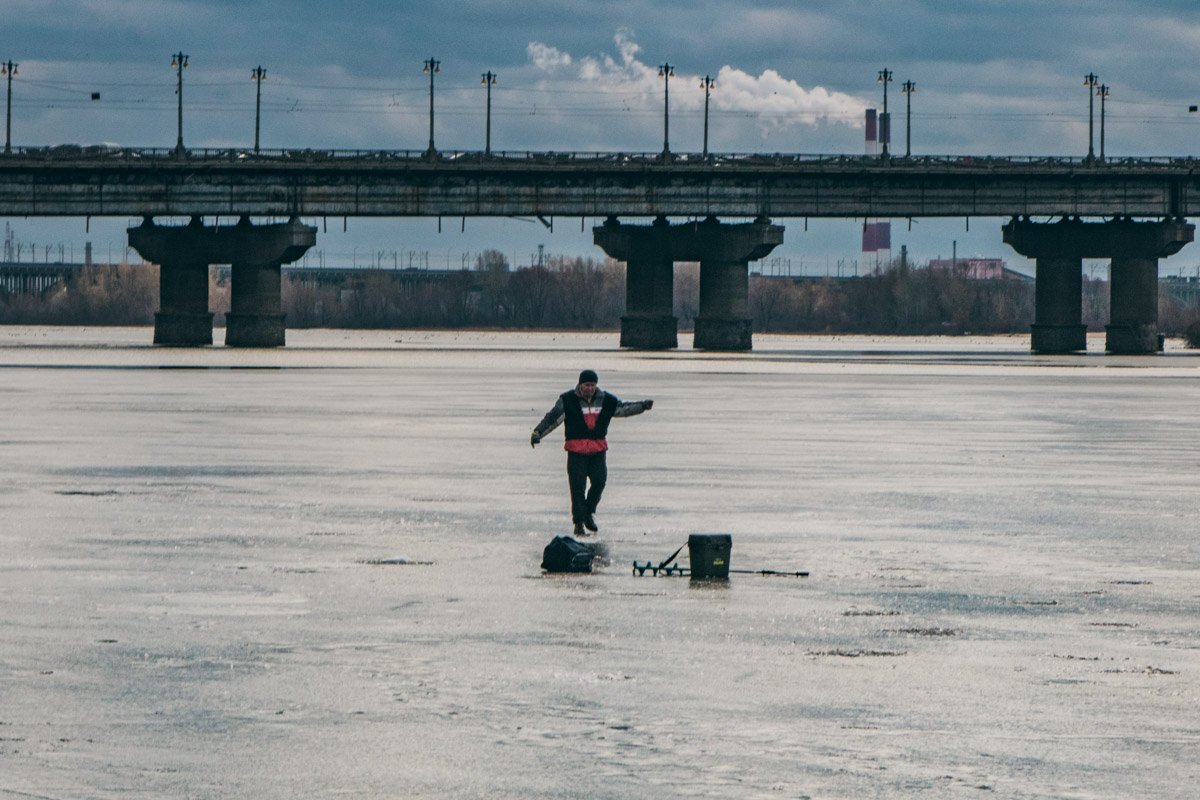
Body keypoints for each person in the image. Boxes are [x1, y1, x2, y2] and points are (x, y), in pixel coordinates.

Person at [531, 369, 653, 537]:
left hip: (597, 450)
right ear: (580, 385)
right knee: (577, 487)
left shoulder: (606, 400)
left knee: (600, 481)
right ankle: (579, 523)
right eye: (586, 385)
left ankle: (588, 514)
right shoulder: (567, 400)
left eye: (592, 385)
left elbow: (623, 408)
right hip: (576, 451)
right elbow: (552, 419)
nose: (589, 388)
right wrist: (538, 433)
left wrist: (642, 406)